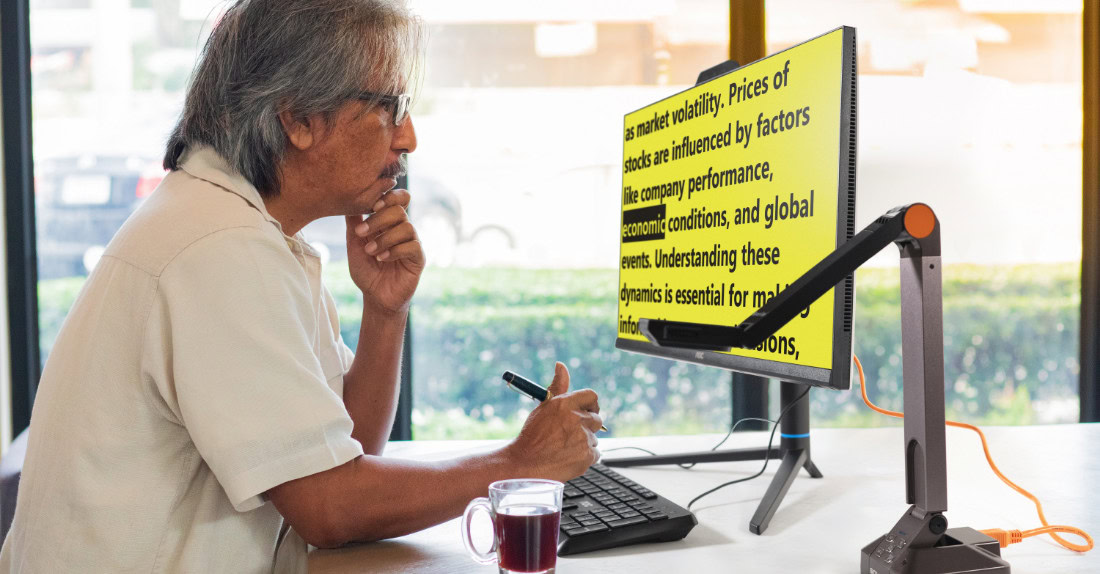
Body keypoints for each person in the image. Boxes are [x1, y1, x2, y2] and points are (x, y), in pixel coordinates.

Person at [0, 1, 602, 572]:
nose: (408, 137)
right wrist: (520, 464)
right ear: (298, 118)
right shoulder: (219, 249)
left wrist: (384, 312)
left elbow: (348, 450)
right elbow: (330, 508)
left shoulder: (246, 232)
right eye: (388, 107)